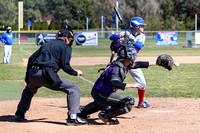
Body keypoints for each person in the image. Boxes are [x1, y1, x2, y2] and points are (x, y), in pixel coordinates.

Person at [15, 28, 88, 126]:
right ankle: (73, 118)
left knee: (29, 89)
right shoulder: (66, 47)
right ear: (66, 39)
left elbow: (31, 58)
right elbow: (65, 66)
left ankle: (20, 113)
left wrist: (28, 76)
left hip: (34, 73)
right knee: (73, 88)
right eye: (70, 39)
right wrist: (75, 72)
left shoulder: (46, 44)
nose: (70, 41)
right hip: (47, 75)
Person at [78, 45, 158, 124]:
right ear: (127, 57)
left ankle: (81, 113)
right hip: (101, 93)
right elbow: (115, 83)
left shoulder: (123, 64)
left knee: (100, 104)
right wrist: (132, 85)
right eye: (132, 56)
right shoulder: (116, 68)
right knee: (128, 102)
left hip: (99, 92)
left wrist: (157, 63)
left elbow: (140, 64)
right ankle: (105, 115)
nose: (134, 57)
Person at [109, 17, 152, 108]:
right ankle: (109, 102)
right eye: (141, 25)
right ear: (136, 25)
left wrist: (130, 38)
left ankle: (141, 102)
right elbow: (111, 38)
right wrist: (121, 36)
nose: (143, 27)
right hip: (122, 63)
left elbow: (139, 46)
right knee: (116, 83)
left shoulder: (141, 36)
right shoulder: (126, 33)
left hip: (132, 63)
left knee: (142, 83)